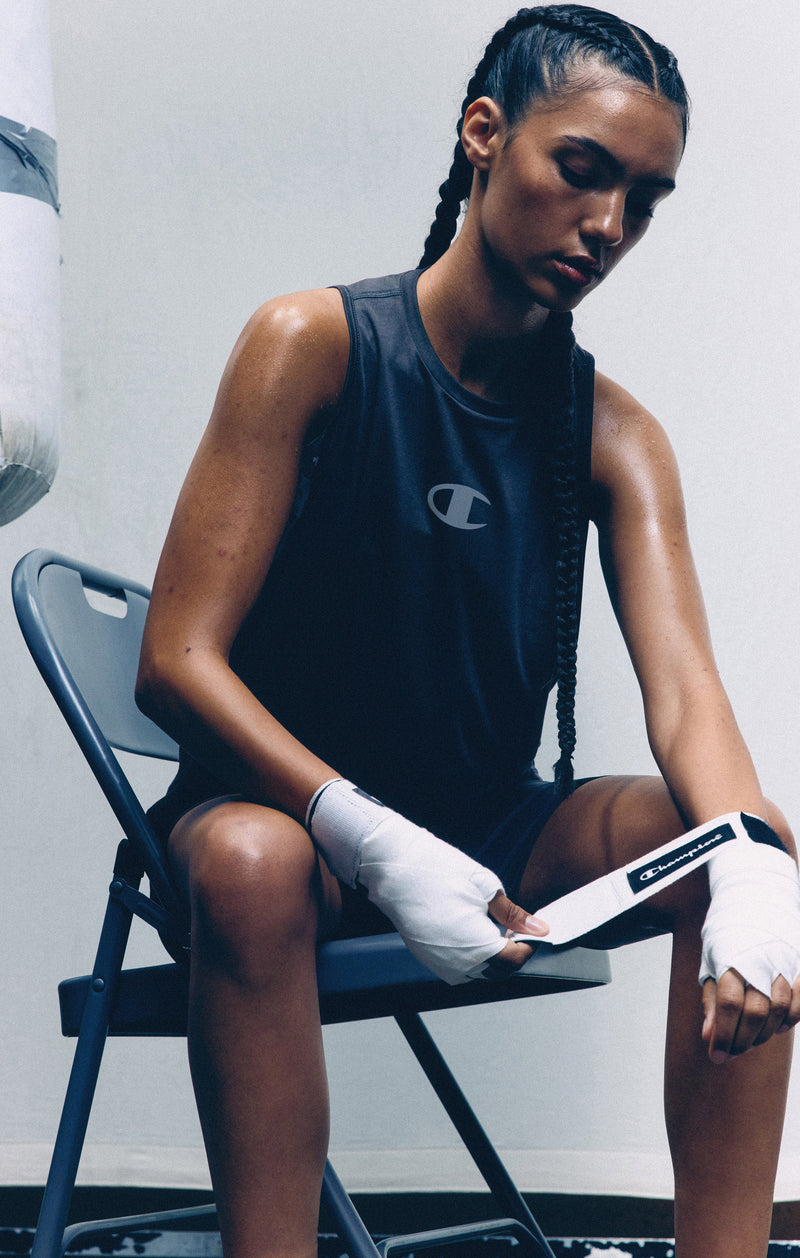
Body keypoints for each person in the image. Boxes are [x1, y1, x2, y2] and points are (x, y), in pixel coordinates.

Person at [136, 6, 800, 1256]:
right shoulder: (312, 345)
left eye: (643, 199)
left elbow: (684, 696)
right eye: (580, 169)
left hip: (488, 830)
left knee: (731, 831)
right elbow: (174, 661)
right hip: (286, 825)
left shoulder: (614, 434)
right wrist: (367, 834)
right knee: (249, 861)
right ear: (484, 134)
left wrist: (756, 871)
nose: (607, 225)